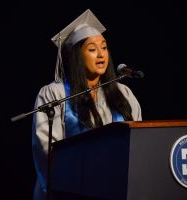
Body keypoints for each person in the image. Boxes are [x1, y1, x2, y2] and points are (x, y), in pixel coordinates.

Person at [31, 9, 142, 200]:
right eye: (92, 49)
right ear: (77, 56)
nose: (101, 55)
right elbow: (45, 149)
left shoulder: (124, 93)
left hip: (116, 189)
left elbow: (139, 140)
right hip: (70, 191)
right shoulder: (54, 93)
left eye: (104, 47)